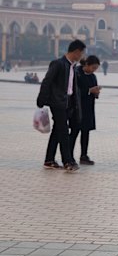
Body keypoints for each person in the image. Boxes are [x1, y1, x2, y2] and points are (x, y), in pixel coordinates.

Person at [36, 39, 86, 172]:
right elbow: (47, 81)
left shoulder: (72, 66)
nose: (82, 56)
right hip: (57, 102)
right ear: (75, 52)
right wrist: (41, 100)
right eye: (81, 53)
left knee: (58, 131)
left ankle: (49, 159)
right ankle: (68, 161)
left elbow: (72, 87)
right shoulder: (58, 64)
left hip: (67, 102)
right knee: (63, 131)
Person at [69, 56, 101, 165]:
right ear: (86, 64)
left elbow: (94, 90)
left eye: (96, 68)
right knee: (74, 132)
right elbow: (73, 91)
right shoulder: (76, 73)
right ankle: (69, 156)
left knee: (86, 132)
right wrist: (88, 90)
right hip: (77, 108)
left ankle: (84, 155)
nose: (94, 70)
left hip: (88, 108)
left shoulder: (93, 76)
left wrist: (96, 93)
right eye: (93, 67)